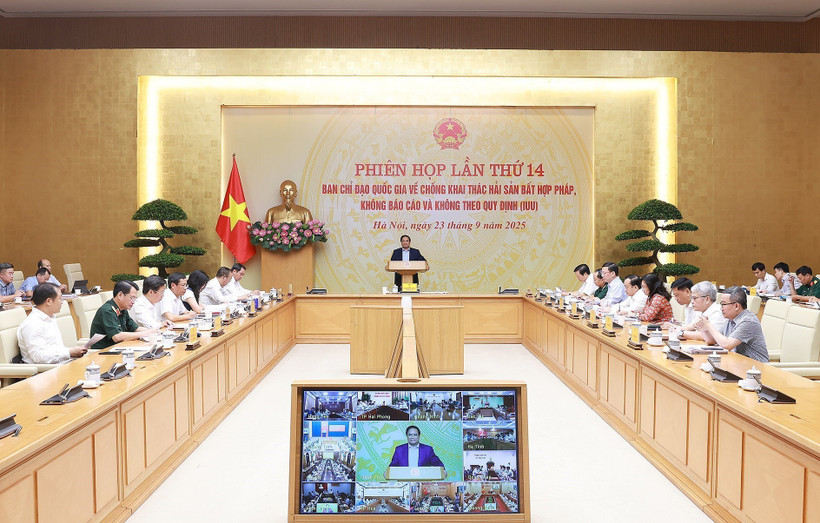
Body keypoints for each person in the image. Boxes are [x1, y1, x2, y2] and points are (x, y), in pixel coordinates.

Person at [17, 283, 87, 364]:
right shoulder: (32, 324)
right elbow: (39, 357)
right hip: (46, 372)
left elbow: (55, 350)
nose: (62, 302)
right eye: (60, 299)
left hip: (62, 364)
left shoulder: (49, 317)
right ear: (49, 301)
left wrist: (71, 353)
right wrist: (69, 352)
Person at [695, 286, 769, 362]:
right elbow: (711, 341)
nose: (721, 308)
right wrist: (704, 328)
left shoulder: (748, 321)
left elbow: (727, 345)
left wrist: (709, 326)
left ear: (736, 306)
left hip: (756, 368)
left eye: (723, 304)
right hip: (739, 363)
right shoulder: (730, 319)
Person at [89, 280, 157, 349]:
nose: (133, 302)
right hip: (103, 352)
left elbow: (135, 328)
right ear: (120, 295)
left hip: (118, 348)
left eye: (135, 299)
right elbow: (117, 337)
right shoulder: (107, 311)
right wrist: (145, 334)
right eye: (131, 298)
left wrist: (153, 332)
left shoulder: (123, 309)